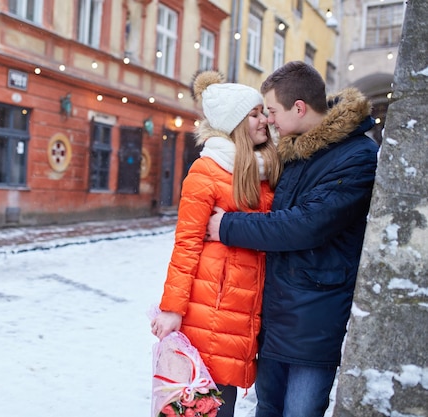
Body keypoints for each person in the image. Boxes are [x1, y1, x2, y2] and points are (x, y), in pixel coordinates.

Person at [206, 61, 379, 417]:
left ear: (299, 108)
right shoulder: (294, 152)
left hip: (314, 319)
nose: (268, 120)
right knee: (267, 408)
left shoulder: (357, 156)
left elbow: (305, 225)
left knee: (300, 412)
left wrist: (227, 226)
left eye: (271, 111)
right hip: (275, 317)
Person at [151, 70, 281, 417]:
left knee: (222, 407)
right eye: (253, 114)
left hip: (244, 313)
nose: (263, 121)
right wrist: (172, 309)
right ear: (235, 122)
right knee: (204, 409)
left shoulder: (265, 170)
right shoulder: (206, 171)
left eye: (261, 113)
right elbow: (186, 245)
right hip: (208, 309)